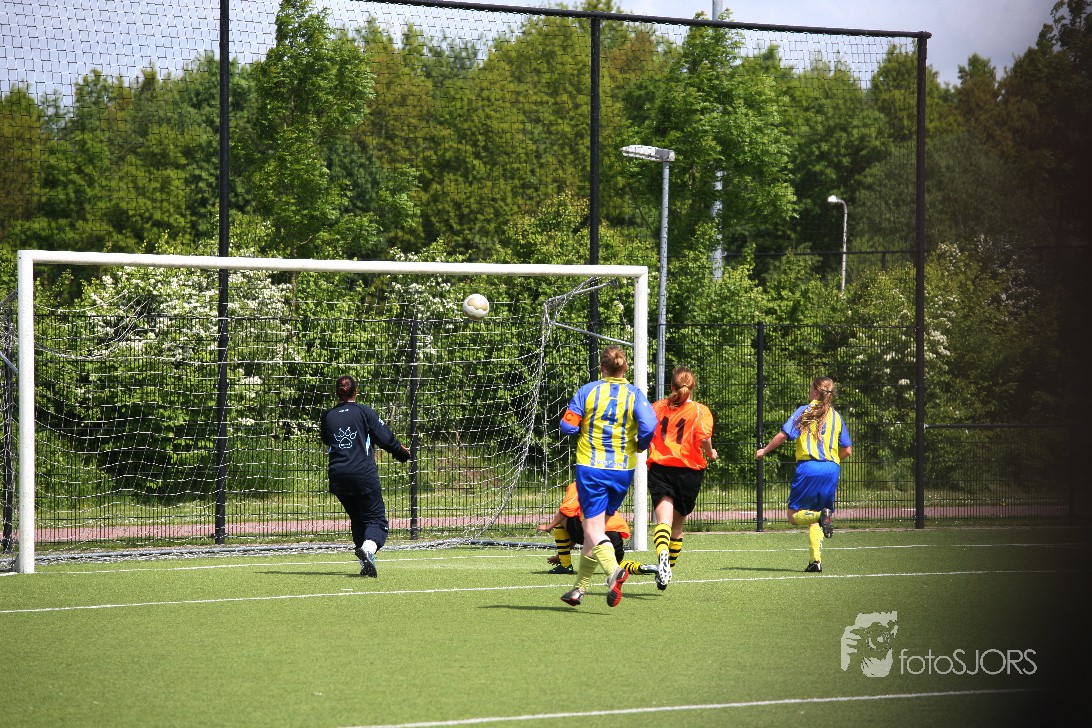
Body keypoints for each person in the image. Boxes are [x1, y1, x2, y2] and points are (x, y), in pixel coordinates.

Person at [558, 345, 657, 607]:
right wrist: (641, 444)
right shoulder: (634, 394)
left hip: (591, 468)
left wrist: (577, 427)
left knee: (591, 528)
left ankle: (614, 571)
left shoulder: (588, 391)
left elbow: (567, 425)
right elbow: (649, 425)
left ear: (601, 367)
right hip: (622, 471)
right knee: (596, 528)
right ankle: (579, 589)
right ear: (625, 367)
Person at [755, 376, 852, 573]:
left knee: (793, 516)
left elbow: (783, 435)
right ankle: (815, 561)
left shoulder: (805, 411)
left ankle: (820, 516)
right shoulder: (836, 416)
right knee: (815, 514)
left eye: (810, 388)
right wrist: (832, 462)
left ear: (816, 391)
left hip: (809, 468)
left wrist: (764, 450)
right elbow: (847, 450)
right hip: (832, 469)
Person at [320, 374, 411, 577]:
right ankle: (368, 550)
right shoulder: (363, 411)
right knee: (377, 520)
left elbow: (326, 439)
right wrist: (400, 452)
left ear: (337, 394)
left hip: (338, 476)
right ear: (356, 391)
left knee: (358, 519)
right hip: (362, 474)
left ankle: (365, 564)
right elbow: (384, 437)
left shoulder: (327, 416)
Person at [647, 366, 717, 591]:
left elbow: (644, 430)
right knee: (677, 527)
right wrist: (711, 453)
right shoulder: (700, 411)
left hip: (660, 468)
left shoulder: (657, 407)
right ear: (693, 387)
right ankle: (667, 571)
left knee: (663, 522)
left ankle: (662, 558)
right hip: (689, 471)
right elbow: (704, 439)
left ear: (671, 386)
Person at [537, 481, 656, 577]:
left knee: (560, 519)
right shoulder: (602, 486)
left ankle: (565, 565)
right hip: (615, 534)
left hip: (594, 532)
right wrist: (560, 555)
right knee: (616, 564)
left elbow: (566, 510)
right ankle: (641, 567)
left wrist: (548, 527)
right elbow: (573, 532)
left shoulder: (578, 485)